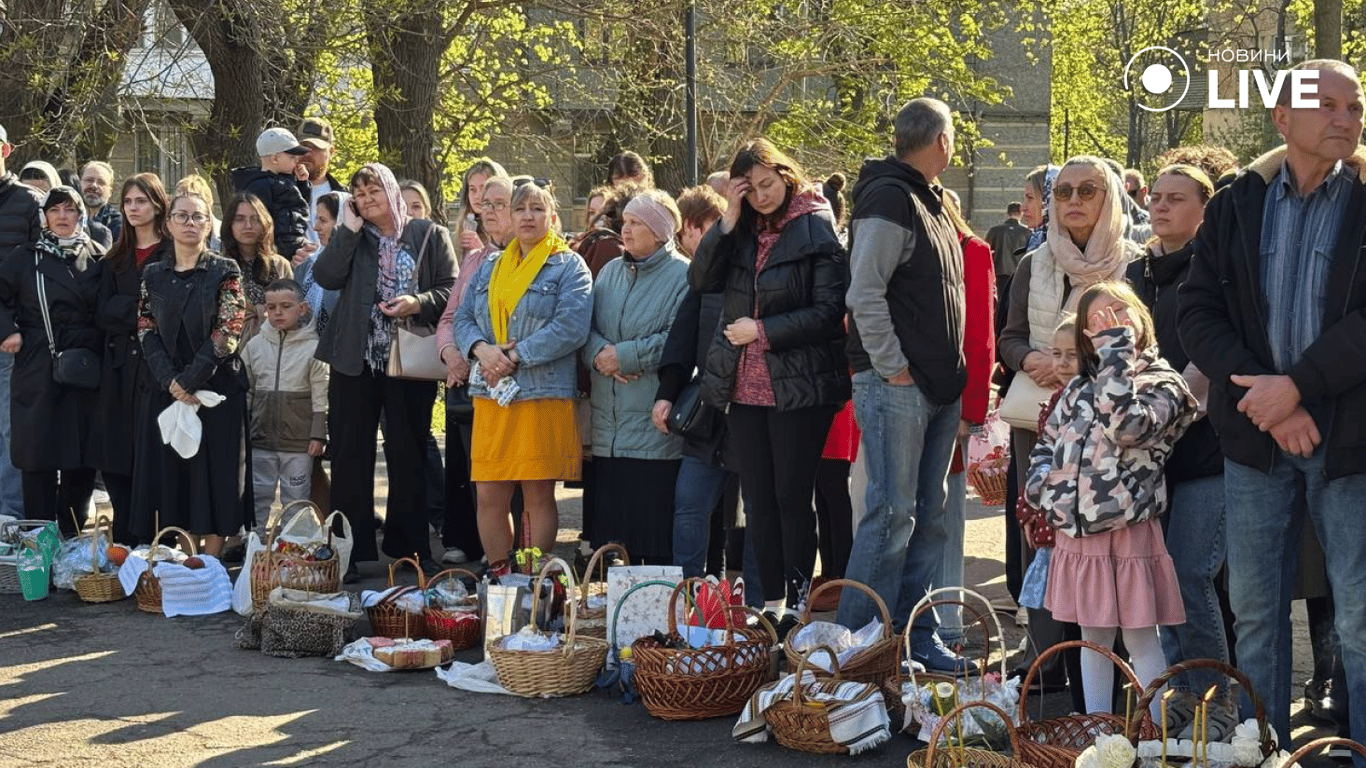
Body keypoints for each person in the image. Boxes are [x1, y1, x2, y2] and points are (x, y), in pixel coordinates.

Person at [1177, 59, 1366, 759]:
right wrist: (1268, 396)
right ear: (1283, 120)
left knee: (1362, 617)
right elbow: (1197, 310)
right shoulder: (1235, 205)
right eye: (1331, 106)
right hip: (1256, 440)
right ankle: (1263, 750)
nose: (1347, 119)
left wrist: (1300, 386)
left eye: (1356, 106)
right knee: (1255, 613)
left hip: (1350, 441)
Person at [689, 137, 848, 636]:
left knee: (791, 498)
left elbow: (828, 311)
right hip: (743, 387)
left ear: (787, 175)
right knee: (758, 501)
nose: (761, 195)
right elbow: (701, 280)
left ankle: (799, 602)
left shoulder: (815, 225)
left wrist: (763, 331)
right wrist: (729, 219)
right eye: (750, 188)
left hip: (799, 386)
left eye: (767, 183)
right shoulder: (740, 230)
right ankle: (773, 600)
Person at [998, 154, 1142, 687]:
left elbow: (1146, 344)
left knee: (1109, 537)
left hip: (1110, 431)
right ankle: (1046, 657)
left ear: (1110, 200)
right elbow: (1007, 335)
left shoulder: (1134, 263)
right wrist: (1027, 357)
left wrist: (1092, 371)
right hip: (1041, 422)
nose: (1074, 202)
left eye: (1088, 192)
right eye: (1064, 193)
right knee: (1040, 533)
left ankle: (1109, 662)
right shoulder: (1036, 263)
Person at [838, 99, 966, 672]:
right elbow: (863, 292)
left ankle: (916, 638)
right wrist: (891, 366)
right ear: (941, 141)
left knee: (926, 514)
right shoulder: (889, 197)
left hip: (933, 387)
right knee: (890, 514)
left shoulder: (927, 199)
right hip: (898, 385)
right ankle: (856, 649)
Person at [1028, 281, 1195, 717]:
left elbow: (1128, 428)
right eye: (1096, 324)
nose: (1109, 327)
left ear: (1140, 317)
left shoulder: (1163, 383)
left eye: (1119, 315)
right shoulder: (1076, 389)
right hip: (1080, 535)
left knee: (1140, 637)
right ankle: (1098, 736)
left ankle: (1153, 735)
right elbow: (1046, 442)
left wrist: (1116, 352)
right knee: (1092, 638)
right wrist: (1042, 489)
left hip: (1128, 531)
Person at [1124, 163, 1235, 738]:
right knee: (1161, 584)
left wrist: (1160, 414)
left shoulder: (1215, 270)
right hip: (1148, 459)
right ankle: (1180, 697)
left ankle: (1219, 702)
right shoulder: (1136, 272)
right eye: (1156, 198)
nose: (1160, 207)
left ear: (1205, 209)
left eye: (1175, 199)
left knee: (1191, 574)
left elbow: (1208, 366)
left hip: (1205, 452)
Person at [312, 163, 455, 579]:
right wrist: (347, 230)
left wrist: (418, 301)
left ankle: (410, 547)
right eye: (359, 194)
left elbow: (450, 288)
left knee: (407, 451)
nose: (367, 200)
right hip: (354, 360)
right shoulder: (353, 235)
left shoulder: (428, 234)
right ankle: (349, 551)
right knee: (350, 454)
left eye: (374, 191)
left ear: (390, 191)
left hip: (408, 360)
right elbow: (326, 276)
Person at [452, 181, 592, 575]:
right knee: (489, 494)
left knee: (537, 495)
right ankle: (501, 579)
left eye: (536, 209)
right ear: (510, 219)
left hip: (541, 393)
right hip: (491, 391)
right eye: (521, 209)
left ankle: (533, 579)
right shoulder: (490, 266)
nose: (528, 216)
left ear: (552, 216)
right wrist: (483, 351)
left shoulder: (568, 265)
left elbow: (571, 326)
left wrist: (514, 355)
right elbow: (463, 318)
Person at [655, 184, 760, 604]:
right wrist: (666, 393)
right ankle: (689, 598)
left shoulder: (774, 265)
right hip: (709, 410)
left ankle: (758, 609)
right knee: (690, 506)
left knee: (759, 516)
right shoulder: (709, 267)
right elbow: (683, 334)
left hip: (758, 412)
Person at [132, 191, 249, 555]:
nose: (189, 223)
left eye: (198, 216)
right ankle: (185, 556)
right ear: (167, 224)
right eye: (181, 216)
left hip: (216, 388)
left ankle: (210, 561)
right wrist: (171, 380)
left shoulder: (225, 270)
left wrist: (190, 379)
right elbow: (145, 328)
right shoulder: (152, 273)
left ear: (209, 223)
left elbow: (229, 329)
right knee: (177, 477)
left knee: (216, 475)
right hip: (167, 388)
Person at [585, 189, 689, 564]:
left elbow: (680, 340)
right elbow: (586, 327)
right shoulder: (610, 271)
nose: (624, 231)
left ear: (660, 232)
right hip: (607, 430)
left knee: (650, 542)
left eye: (635, 223)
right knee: (611, 546)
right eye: (624, 221)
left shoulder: (683, 275)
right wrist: (598, 354)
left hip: (651, 431)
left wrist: (624, 356)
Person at [0, 187, 104, 536]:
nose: (62, 216)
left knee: (81, 454)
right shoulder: (23, 257)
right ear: (44, 216)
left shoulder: (98, 257)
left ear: (80, 215)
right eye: (55, 209)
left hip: (86, 369)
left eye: (70, 209)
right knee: (37, 454)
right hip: (37, 365)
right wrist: (7, 331)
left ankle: (73, 536)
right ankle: (39, 538)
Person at [88, 174, 171, 543]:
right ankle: (123, 536)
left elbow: (170, 312)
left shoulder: (171, 254)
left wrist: (134, 311)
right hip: (119, 369)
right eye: (128, 202)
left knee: (154, 458)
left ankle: (157, 542)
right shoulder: (114, 258)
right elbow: (102, 312)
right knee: (116, 457)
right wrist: (139, 308)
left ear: (157, 205)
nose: (134, 208)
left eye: (142, 201)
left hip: (158, 370)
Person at [437, 173, 513, 566]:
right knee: (480, 478)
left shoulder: (545, 257)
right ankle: (491, 552)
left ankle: (520, 560)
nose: (491, 213)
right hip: (472, 379)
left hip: (521, 381)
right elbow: (453, 315)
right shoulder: (474, 261)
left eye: (500, 204)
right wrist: (455, 353)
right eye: (485, 206)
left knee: (523, 483)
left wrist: (500, 356)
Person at [939, 187, 996, 644]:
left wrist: (970, 409)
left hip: (949, 404)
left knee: (947, 515)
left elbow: (980, 336)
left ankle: (948, 622)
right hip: (901, 404)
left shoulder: (971, 251)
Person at [243, 279, 327, 523]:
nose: (278, 313)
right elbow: (247, 390)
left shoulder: (314, 348)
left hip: (299, 443)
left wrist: (318, 434)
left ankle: (295, 546)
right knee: (258, 496)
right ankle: (256, 544)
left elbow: (321, 393)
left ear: (302, 308)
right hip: (260, 440)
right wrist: (244, 430)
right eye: (271, 307)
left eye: (286, 306)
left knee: (297, 498)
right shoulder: (255, 346)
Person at [0, 125, 45, 520]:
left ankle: (9, 516)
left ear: (6, 150)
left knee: (9, 430)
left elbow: (42, 270)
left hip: (12, 338)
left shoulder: (30, 202)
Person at [221, 194, 294, 342]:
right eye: (240, 219)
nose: (248, 225)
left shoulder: (280, 265)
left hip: (274, 347)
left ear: (264, 223)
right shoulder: (219, 266)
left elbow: (293, 312)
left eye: (255, 219)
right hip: (229, 349)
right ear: (230, 224)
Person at [231, 127, 310, 260]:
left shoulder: (286, 180)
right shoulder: (259, 186)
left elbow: (299, 207)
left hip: (293, 248)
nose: (297, 160)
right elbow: (261, 222)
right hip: (273, 253)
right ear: (274, 159)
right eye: (292, 157)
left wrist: (302, 183)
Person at [295, 191, 347, 335]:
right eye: (316, 219)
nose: (316, 227)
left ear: (343, 222)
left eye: (323, 221)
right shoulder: (308, 264)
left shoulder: (358, 266)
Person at [296, 116, 346, 242]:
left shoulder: (344, 197)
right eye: (303, 146)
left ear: (331, 151)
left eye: (315, 148)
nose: (307, 153)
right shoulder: (282, 190)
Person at [454, 159, 507, 258]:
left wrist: (480, 252)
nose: (477, 196)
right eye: (472, 189)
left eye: (483, 188)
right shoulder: (462, 229)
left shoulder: (511, 231)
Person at [985, 202, 1031, 287]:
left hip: (998, 273)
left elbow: (986, 253)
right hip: (1020, 274)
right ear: (1021, 213)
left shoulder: (994, 231)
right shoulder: (1027, 232)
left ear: (1007, 213)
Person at [175, 175, 222, 251]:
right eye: (183, 215)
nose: (190, 222)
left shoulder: (226, 234)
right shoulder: (169, 238)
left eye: (197, 215)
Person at [80, 161, 122, 242]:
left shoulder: (116, 222)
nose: (94, 185)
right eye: (89, 180)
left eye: (101, 182)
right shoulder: (68, 216)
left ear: (110, 192)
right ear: (80, 183)